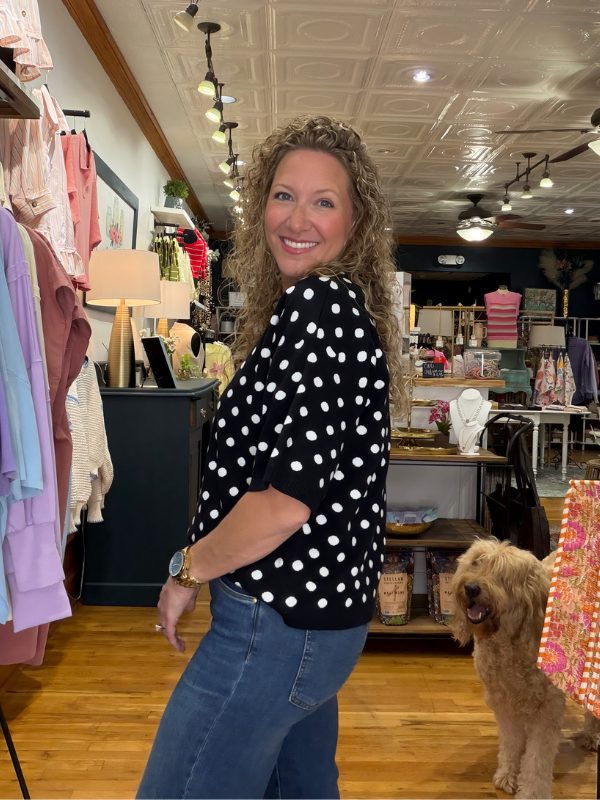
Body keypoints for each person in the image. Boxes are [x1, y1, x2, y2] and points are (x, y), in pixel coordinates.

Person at [137, 116, 405, 800]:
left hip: (275, 623)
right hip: (306, 623)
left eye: (324, 201)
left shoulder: (319, 306)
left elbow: (285, 501)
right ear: (261, 206)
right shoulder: (323, 309)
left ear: (356, 221)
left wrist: (185, 571)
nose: (298, 218)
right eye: (284, 195)